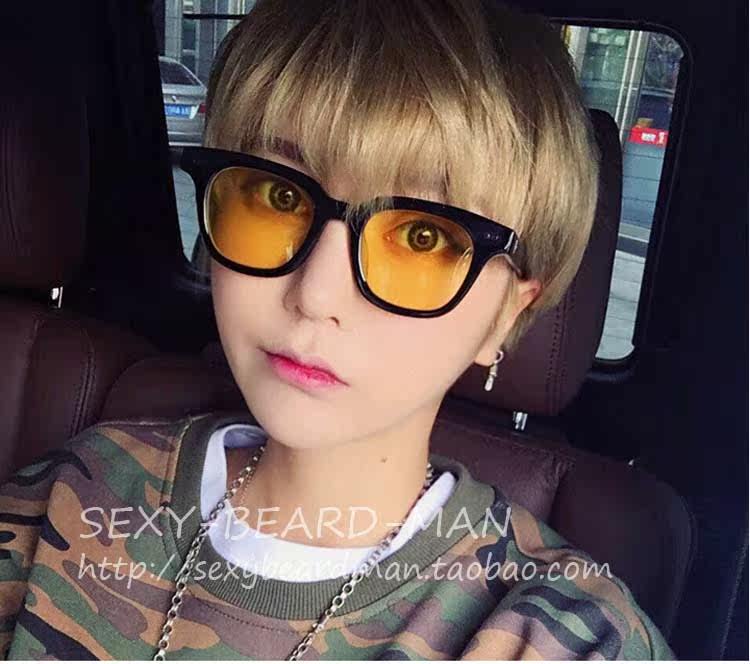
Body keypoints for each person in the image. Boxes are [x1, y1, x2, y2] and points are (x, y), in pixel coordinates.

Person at [0, 0, 675, 659]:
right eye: (278, 196)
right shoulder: (71, 496)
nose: (315, 295)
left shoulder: (566, 638)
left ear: (507, 315)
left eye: (420, 236)